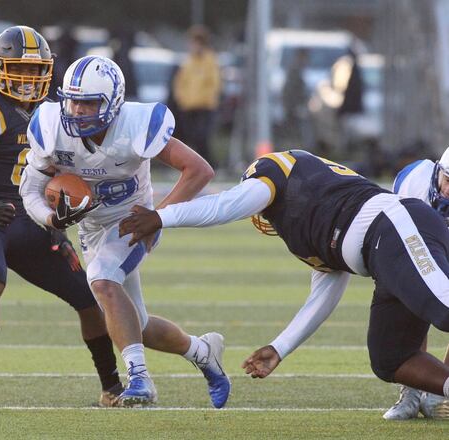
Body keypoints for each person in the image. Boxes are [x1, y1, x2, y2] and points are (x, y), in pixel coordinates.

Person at [119, 149, 449, 417]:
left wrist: (161, 217)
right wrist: (280, 348)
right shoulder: (308, 230)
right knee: (391, 358)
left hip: (394, 227)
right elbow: (324, 294)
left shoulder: (278, 170)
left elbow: (224, 206)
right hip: (380, 257)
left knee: (445, 311)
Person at [19, 55, 230, 408]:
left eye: (89, 103)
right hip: (92, 226)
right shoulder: (51, 125)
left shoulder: (135, 124)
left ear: (113, 103)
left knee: (101, 282)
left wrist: (158, 216)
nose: (78, 111)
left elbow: (199, 170)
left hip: (133, 219)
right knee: (138, 326)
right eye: (73, 101)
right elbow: (30, 190)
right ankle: (203, 351)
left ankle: (139, 380)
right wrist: (52, 220)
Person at [0, 27, 123, 413]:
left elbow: (62, 170)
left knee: (87, 297)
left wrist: (62, 210)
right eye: (20, 68)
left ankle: (112, 386)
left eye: (37, 71)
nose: (29, 78)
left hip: (29, 217)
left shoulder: (55, 112)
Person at [382, 148, 449, 419]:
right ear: (438, 172)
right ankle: (411, 390)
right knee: (411, 299)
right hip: (418, 242)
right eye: (448, 181)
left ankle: (438, 392)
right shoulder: (414, 181)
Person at [170, 25, 221, 166]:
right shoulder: (188, 61)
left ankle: (209, 163)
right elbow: (180, 82)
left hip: (205, 106)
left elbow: (214, 83)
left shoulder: (210, 61)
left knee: (202, 136)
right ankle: (197, 165)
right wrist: (181, 98)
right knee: (191, 137)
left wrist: (206, 99)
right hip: (188, 106)